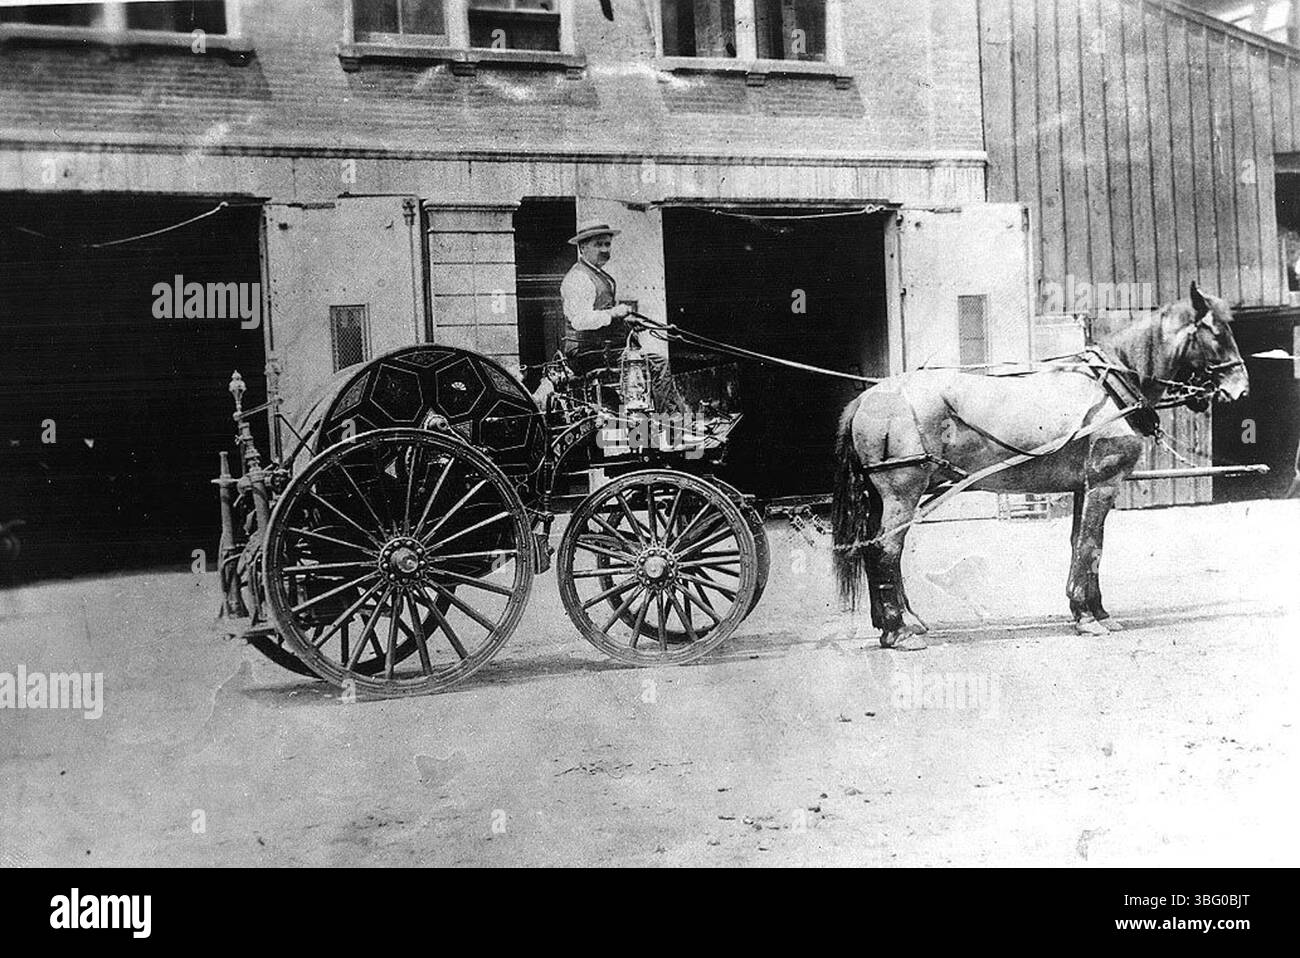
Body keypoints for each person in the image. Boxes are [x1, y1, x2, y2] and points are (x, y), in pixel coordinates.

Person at [559, 220, 688, 414]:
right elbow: (580, 320)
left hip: (603, 348)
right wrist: (614, 313)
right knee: (658, 363)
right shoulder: (578, 278)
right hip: (588, 353)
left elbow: (600, 312)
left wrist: (626, 320)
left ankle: (671, 418)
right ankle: (670, 422)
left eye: (607, 244)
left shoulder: (598, 274)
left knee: (651, 360)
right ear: (582, 247)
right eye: (598, 244)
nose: (604, 249)